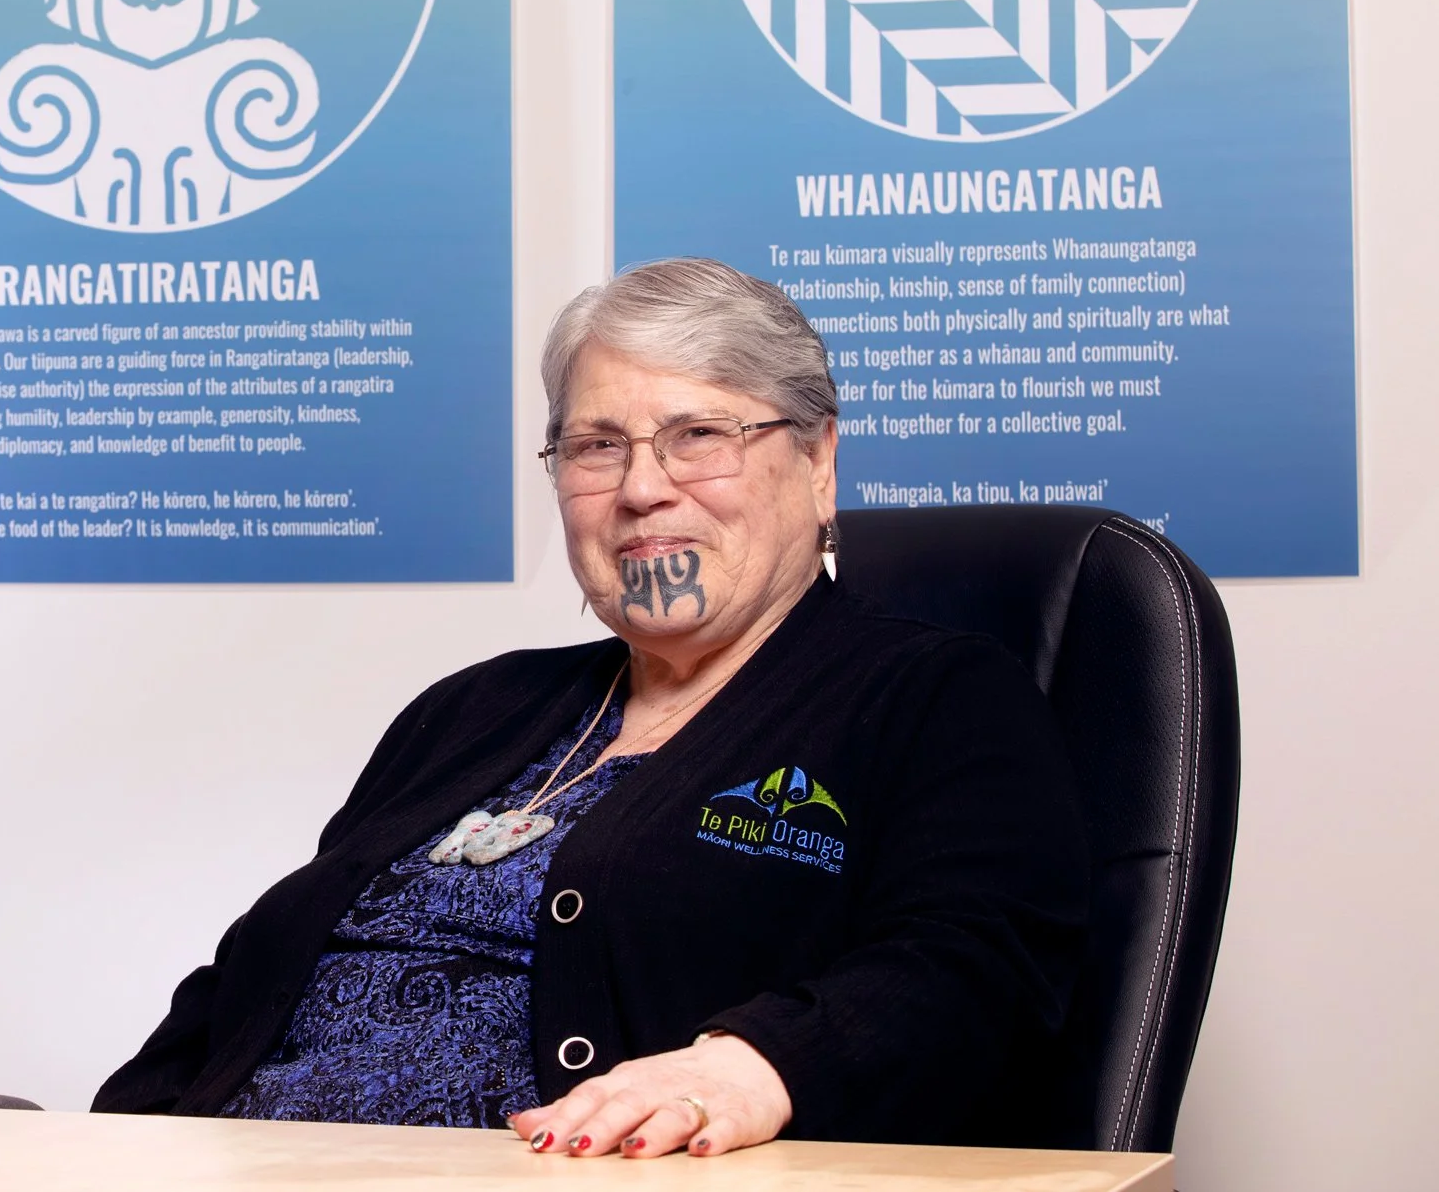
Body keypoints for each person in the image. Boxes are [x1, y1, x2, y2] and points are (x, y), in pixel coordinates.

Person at [95, 259, 1088, 1156]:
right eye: (595, 445)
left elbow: (974, 971)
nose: (640, 487)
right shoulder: (474, 705)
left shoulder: (933, 697)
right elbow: (247, 985)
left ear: (819, 460)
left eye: (700, 434)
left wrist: (743, 1069)